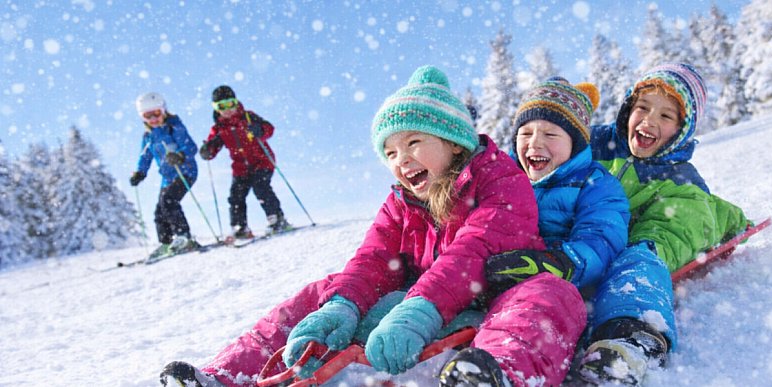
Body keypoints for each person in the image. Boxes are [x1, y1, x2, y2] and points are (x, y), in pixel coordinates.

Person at [159, 66, 587, 387]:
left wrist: (422, 309)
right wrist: (342, 306)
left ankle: (495, 375)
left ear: (454, 144)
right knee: (325, 290)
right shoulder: (400, 201)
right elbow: (373, 258)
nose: (401, 159)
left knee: (551, 294)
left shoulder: (498, 177)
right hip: (416, 305)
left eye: (414, 142)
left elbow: (476, 248)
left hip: (491, 297)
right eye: (390, 152)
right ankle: (225, 375)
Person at [446, 78, 630, 386]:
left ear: (575, 143)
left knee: (537, 307)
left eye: (550, 134)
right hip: (491, 277)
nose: (534, 143)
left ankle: (502, 372)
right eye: (526, 133)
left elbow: (602, 236)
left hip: (557, 282)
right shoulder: (500, 178)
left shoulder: (596, 183)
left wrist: (559, 263)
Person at [576, 63, 751, 385]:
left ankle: (631, 336)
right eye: (642, 107)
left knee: (644, 257)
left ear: (682, 130)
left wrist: (732, 221)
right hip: (579, 241)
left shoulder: (680, 179)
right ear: (628, 108)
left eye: (666, 115)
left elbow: (697, 217)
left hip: (636, 242)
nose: (649, 120)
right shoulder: (592, 144)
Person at [199, 85, 288, 241]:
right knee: (236, 195)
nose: (227, 109)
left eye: (230, 104)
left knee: (261, 187)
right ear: (216, 108)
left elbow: (269, 128)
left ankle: (276, 218)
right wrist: (207, 150)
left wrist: (260, 130)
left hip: (262, 161)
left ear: (236, 102)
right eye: (222, 106)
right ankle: (239, 227)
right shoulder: (219, 128)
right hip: (241, 167)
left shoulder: (248, 117)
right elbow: (213, 147)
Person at [129, 92, 200, 258]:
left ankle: (184, 237)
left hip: (185, 172)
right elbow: (145, 157)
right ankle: (166, 243)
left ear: (164, 111)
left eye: (156, 113)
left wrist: (180, 155)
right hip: (167, 177)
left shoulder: (174, 127)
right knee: (159, 211)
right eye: (148, 116)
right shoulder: (148, 137)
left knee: (169, 200)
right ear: (142, 118)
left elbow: (191, 147)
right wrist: (140, 173)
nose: (153, 119)